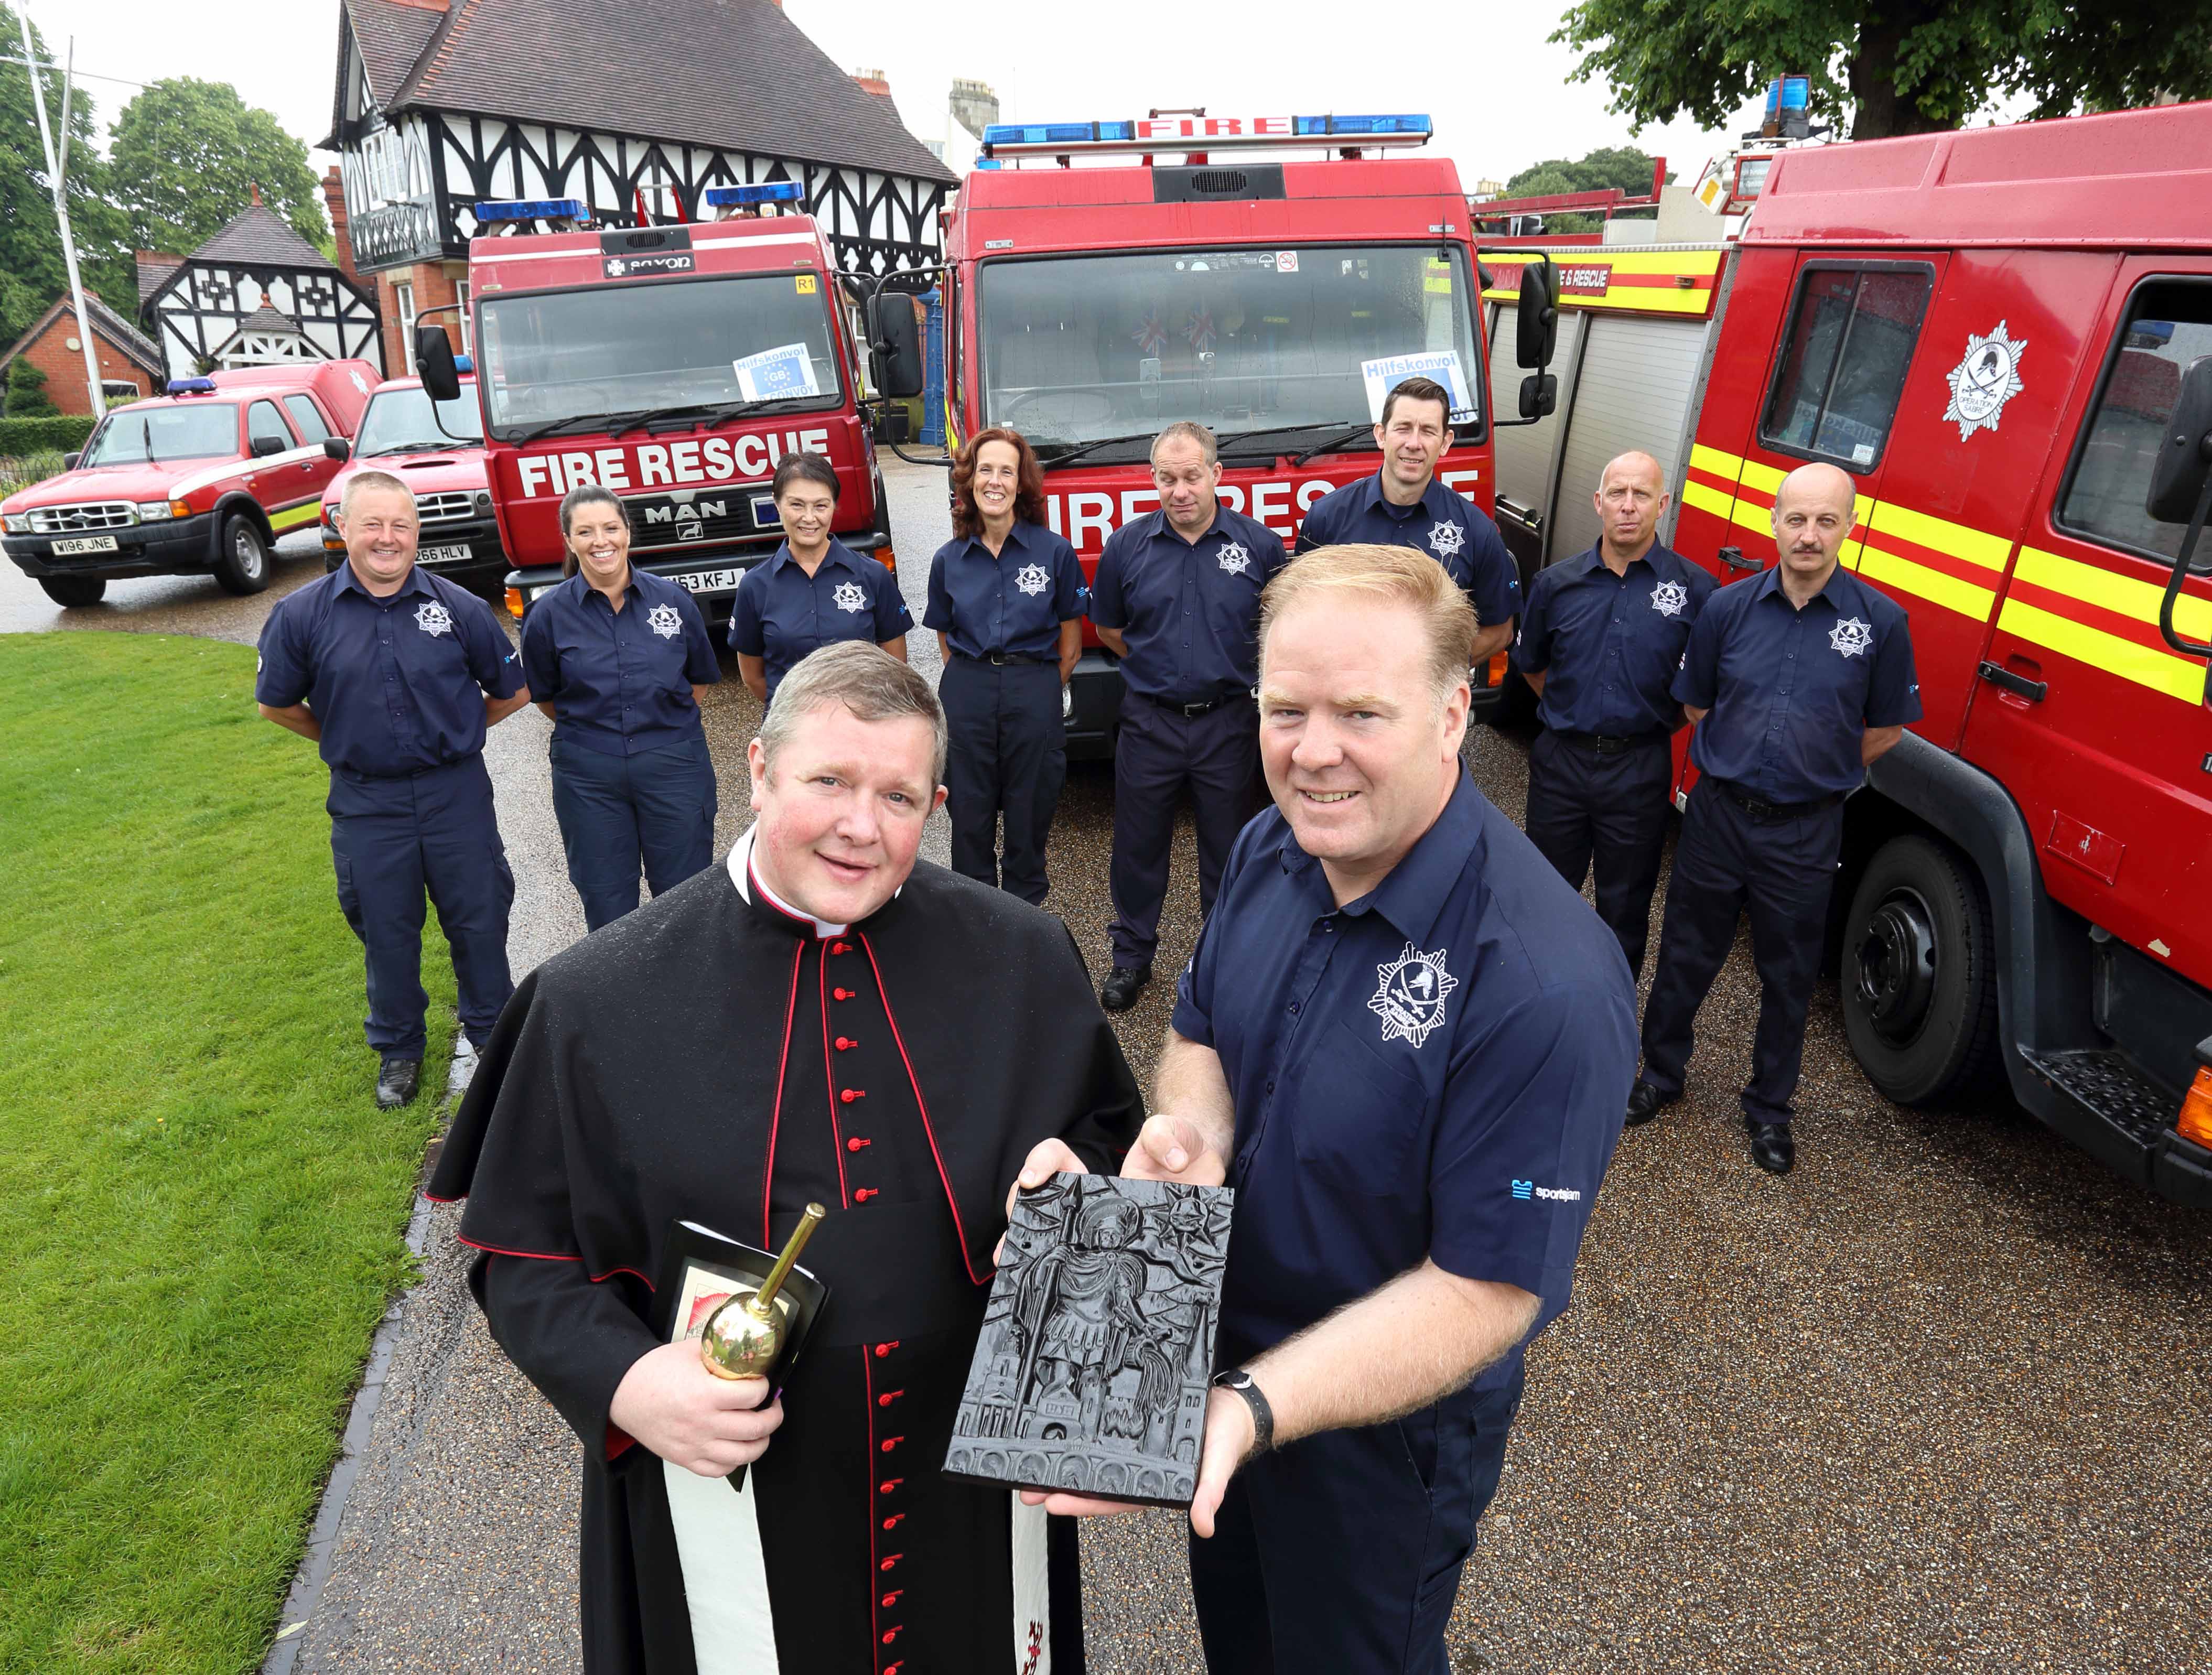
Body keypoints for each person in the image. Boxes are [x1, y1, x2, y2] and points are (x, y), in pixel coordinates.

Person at [427, 642, 1145, 1674]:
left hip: (972, 1497)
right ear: (758, 770)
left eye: (899, 796)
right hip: (732, 1493)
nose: (862, 826)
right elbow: (520, 1255)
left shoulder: (1024, 954)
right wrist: (628, 1381)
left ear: (935, 803)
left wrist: (1080, 1180)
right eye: (829, 781)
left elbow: (1102, 1137)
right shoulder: (594, 998)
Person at [1009, 543, 1637, 1675]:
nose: (1312, 753)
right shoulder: (1271, 848)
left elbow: (1490, 1288)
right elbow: (1199, 1033)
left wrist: (1254, 1406)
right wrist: (1192, 1135)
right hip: (1224, 1369)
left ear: (1455, 714)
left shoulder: (1543, 980)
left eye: (1360, 712)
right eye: (1285, 708)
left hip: (1373, 1441)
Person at [1628, 462, 1920, 1174]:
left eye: (1825, 520)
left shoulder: (1879, 623)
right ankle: (1660, 1076)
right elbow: (1696, 703)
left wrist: (1815, 769)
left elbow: (1884, 728)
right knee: (1685, 953)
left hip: (1803, 829)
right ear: (1772, 521)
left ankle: (1767, 1109)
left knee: (1787, 974)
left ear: (1849, 527)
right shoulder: (1725, 609)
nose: (1808, 534)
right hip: (1719, 816)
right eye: (1795, 518)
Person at [255, 469, 530, 1108]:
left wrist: (456, 732)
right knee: (386, 928)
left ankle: (493, 1035)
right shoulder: (300, 615)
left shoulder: (459, 609)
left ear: (417, 532)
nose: (387, 538)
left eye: (400, 525)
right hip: (367, 802)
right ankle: (400, 1050)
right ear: (342, 528)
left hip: (454, 793)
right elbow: (276, 705)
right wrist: (346, 739)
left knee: (480, 918)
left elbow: (513, 692)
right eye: (372, 524)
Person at [1088, 421, 1288, 1011]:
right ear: (1153, 480)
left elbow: (1276, 630)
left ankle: (1225, 962)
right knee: (1136, 845)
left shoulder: (1258, 547)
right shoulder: (1126, 546)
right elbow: (1110, 629)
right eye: (1167, 478)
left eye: (1191, 476)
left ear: (1216, 475)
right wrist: (1163, 674)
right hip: (1150, 722)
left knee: (1229, 849)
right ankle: (1131, 959)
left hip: (1227, 723)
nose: (1180, 491)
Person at [1515, 451, 1715, 979]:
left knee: (1623, 912)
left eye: (1641, 495)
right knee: (1543, 902)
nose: (1629, 506)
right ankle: (1541, 1022)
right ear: (1599, 503)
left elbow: (1699, 688)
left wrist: (1643, 726)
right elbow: (1533, 666)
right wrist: (1571, 712)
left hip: (1639, 768)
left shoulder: (1698, 593)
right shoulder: (1556, 585)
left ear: (1662, 504)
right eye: (1618, 494)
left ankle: (1611, 1031)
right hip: (1561, 764)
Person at [521, 484, 722, 932]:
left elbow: (699, 680)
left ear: (628, 531)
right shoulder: (547, 615)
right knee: (607, 902)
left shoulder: (673, 601)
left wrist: (657, 731)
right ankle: (619, 1001)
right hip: (589, 775)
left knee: (685, 898)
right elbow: (546, 696)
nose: (601, 541)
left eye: (611, 528)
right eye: (586, 532)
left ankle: (686, 999)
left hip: (673, 764)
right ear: (569, 540)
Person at [924, 427, 1085, 904]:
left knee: (1029, 814)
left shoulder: (1053, 552)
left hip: (1033, 687)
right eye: (985, 470)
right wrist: (979, 682)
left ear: (1022, 484)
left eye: (1007, 472)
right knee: (968, 817)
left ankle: (1025, 923)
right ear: (970, 481)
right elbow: (945, 639)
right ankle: (976, 924)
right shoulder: (947, 560)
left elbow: (1071, 646)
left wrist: (1030, 687)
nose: (995, 481)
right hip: (967, 691)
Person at [1293, 375, 1519, 664]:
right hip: (1345, 696)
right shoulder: (1327, 517)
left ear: (1446, 442)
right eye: (1403, 428)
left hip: (1427, 703)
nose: (1414, 443)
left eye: (1428, 431)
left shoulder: (1478, 532)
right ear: (1381, 435)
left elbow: (1500, 632)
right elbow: (1298, 613)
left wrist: (1425, 674)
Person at [727, 451, 910, 703]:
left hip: (861, 725)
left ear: (834, 506)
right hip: (791, 731)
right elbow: (753, 677)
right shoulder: (755, 586)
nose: (810, 518)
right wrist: (794, 712)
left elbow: (895, 665)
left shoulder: (872, 575)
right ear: (777, 504)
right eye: (797, 505)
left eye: (821, 505)